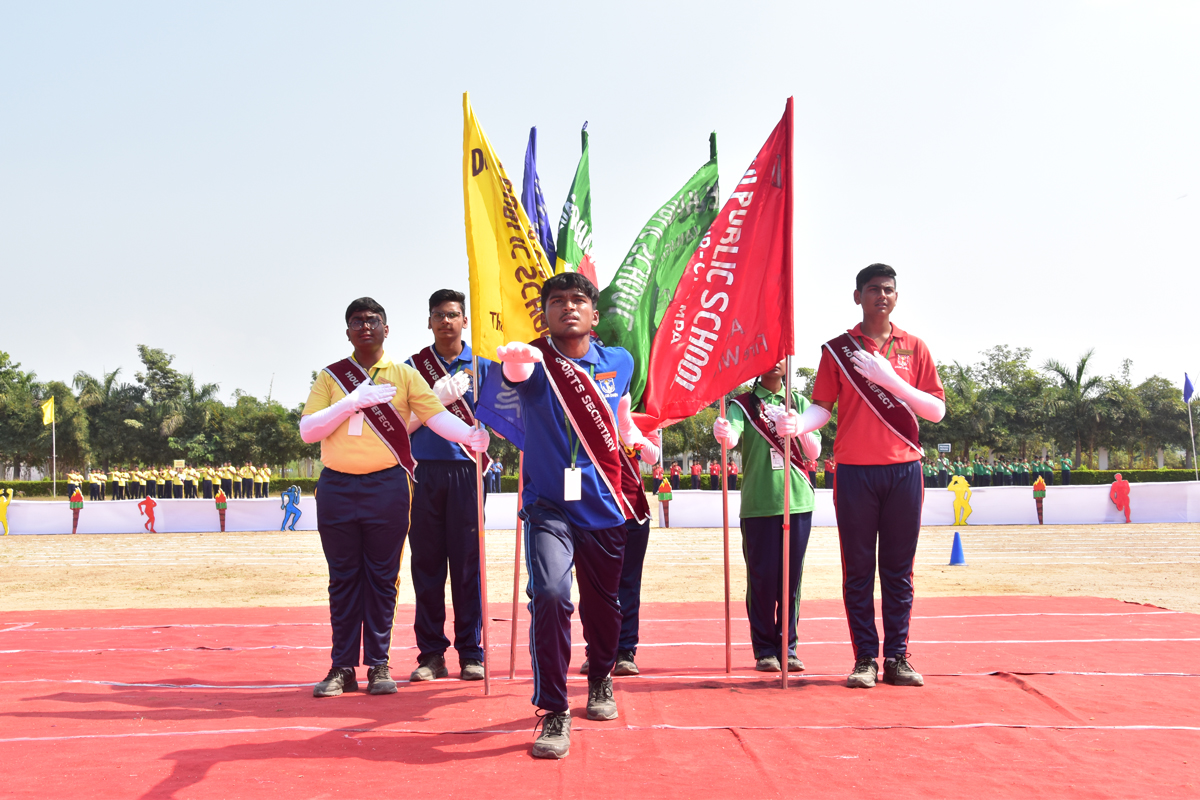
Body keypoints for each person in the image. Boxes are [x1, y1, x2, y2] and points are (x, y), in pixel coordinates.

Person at [492, 272, 658, 760]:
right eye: (557, 301)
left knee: (604, 607)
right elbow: (514, 376)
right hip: (549, 505)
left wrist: (640, 443)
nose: (568, 307)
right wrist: (517, 362)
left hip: (605, 503)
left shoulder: (620, 362)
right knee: (549, 594)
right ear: (543, 313)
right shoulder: (534, 359)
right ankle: (553, 708)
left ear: (594, 313)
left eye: (578, 300)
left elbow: (620, 415)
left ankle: (601, 675)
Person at [299, 296, 489, 700]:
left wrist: (469, 436)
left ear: (387, 329)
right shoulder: (331, 377)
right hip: (336, 485)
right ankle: (342, 666)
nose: (365, 327)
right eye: (357, 322)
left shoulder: (404, 375)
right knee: (343, 579)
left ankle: (379, 664)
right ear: (347, 331)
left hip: (387, 486)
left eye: (374, 321)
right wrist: (351, 402)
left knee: (384, 579)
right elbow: (309, 430)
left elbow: (435, 415)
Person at [799, 263, 946, 689]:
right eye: (874, 289)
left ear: (896, 297)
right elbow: (822, 409)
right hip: (854, 472)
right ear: (857, 296)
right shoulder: (837, 350)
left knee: (899, 570)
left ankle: (897, 657)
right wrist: (798, 423)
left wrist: (891, 381)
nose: (882, 295)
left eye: (889, 289)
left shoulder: (915, 348)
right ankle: (865, 658)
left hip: (904, 469)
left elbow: (935, 410)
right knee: (858, 569)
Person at [403, 288, 491, 683]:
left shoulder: (484, 364)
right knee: (426, 566)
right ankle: (431, 654)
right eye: (437, 315)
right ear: (429, 321)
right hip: (424, 472)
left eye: (452, 315)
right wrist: (433, 403)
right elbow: (396, 425)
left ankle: (472, 653)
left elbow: (504, 416)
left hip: (467, 472)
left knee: (468, 566)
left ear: (464, 320)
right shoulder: (411, 367)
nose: (445, 322)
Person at [714, 360, 821, 672]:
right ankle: (764, 649)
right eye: (767, 356)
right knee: (761, 579)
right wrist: (723, 432)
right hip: (759, 503)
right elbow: (731, 437)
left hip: (797, 500)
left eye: (780, 357)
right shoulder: (742, 404)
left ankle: (788, 647)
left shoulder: (799, 402)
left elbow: (813, 451)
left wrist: (797, 424)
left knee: (791, 580)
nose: (774, 363)